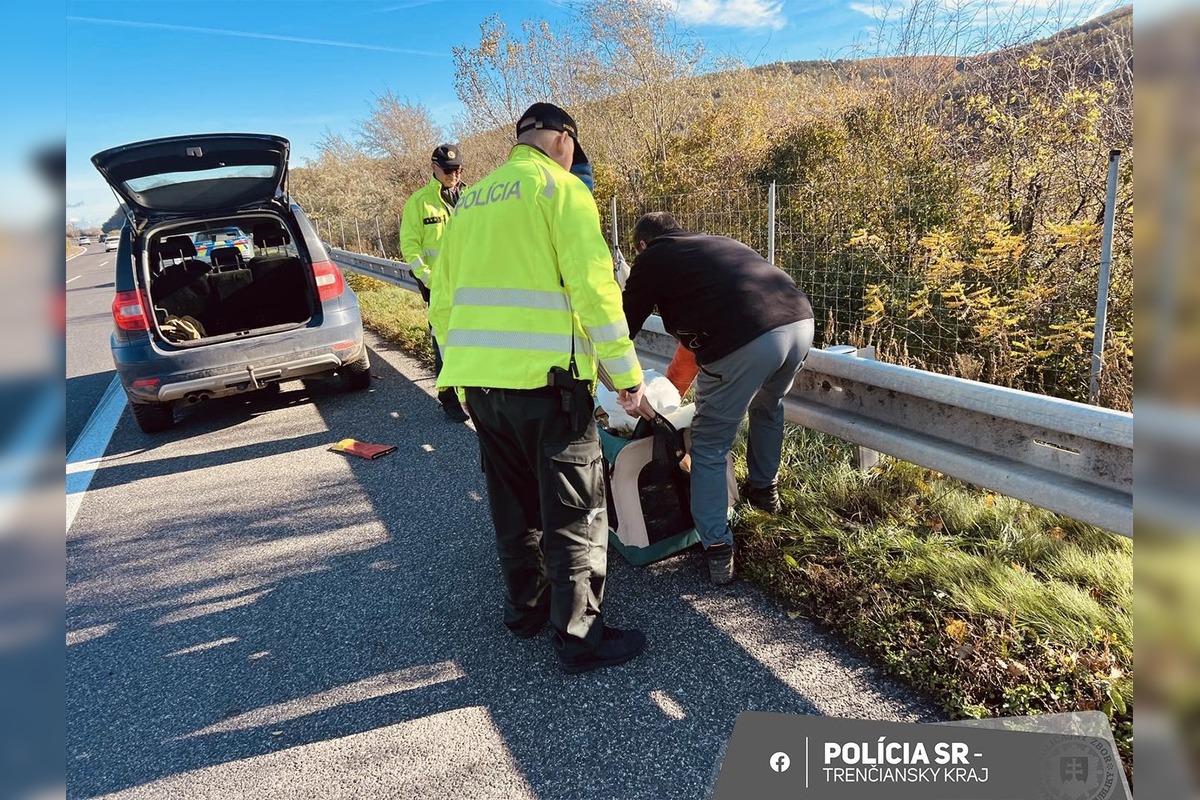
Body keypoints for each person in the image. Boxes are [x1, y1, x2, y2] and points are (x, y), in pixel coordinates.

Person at [429, 102, 649, 674]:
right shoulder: (564, 191)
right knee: (576, 512)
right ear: (564, 142)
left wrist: (460, 369)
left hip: (482, 387)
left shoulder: (469, 201)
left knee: (513, 503)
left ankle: (525, 609)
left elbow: (444, 302)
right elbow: (596, 293)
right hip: (550, 391)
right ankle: (580, 637)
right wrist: (626, 377)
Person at [622, 212, 815, 585]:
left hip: (746, 337)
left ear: (643, 245)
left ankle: (716, 547)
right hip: (800, 322)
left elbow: (623, 327)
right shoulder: (716, 244)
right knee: (768, 407)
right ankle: (764, 491)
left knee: (709, 443)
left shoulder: (653, 259)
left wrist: (625, 384)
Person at [400, 143, 469, 423]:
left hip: (472, 285)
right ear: (434, 168)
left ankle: (474, 393)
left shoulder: (474, 197)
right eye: (448, 169)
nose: (454, 174)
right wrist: (430, 280)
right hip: (438, 288)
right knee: (444, 343)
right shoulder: (419, 202)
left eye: (458, 169)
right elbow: (410, 246)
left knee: (473, 339)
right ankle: (449, 397)